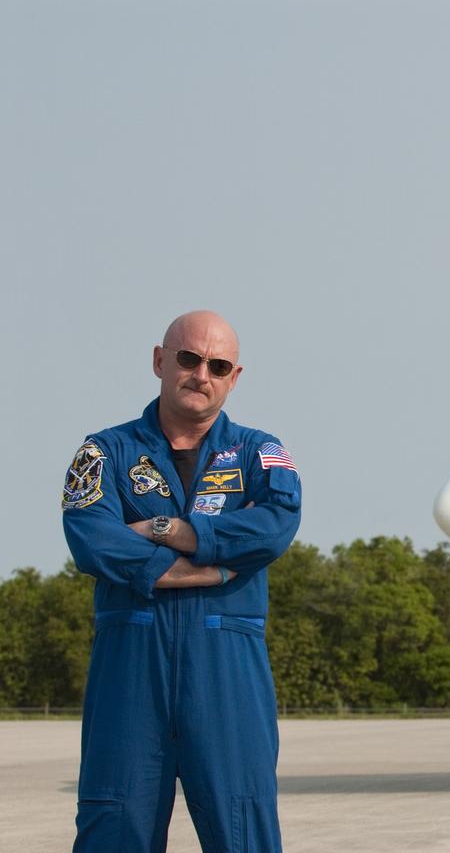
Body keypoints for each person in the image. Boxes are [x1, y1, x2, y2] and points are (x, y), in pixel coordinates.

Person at [61, 311, 302, 852]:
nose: (202, 374)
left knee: (245, 829)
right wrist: (213, 564)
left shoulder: (262, 454)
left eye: (218, 365)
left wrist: (166, 530)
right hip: (129, 671)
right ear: (159, 361)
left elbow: (274, 527)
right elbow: (92, 538)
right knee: (114, 825)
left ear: (234, 377)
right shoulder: (103, 453)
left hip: (227, 672)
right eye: (189, 359)